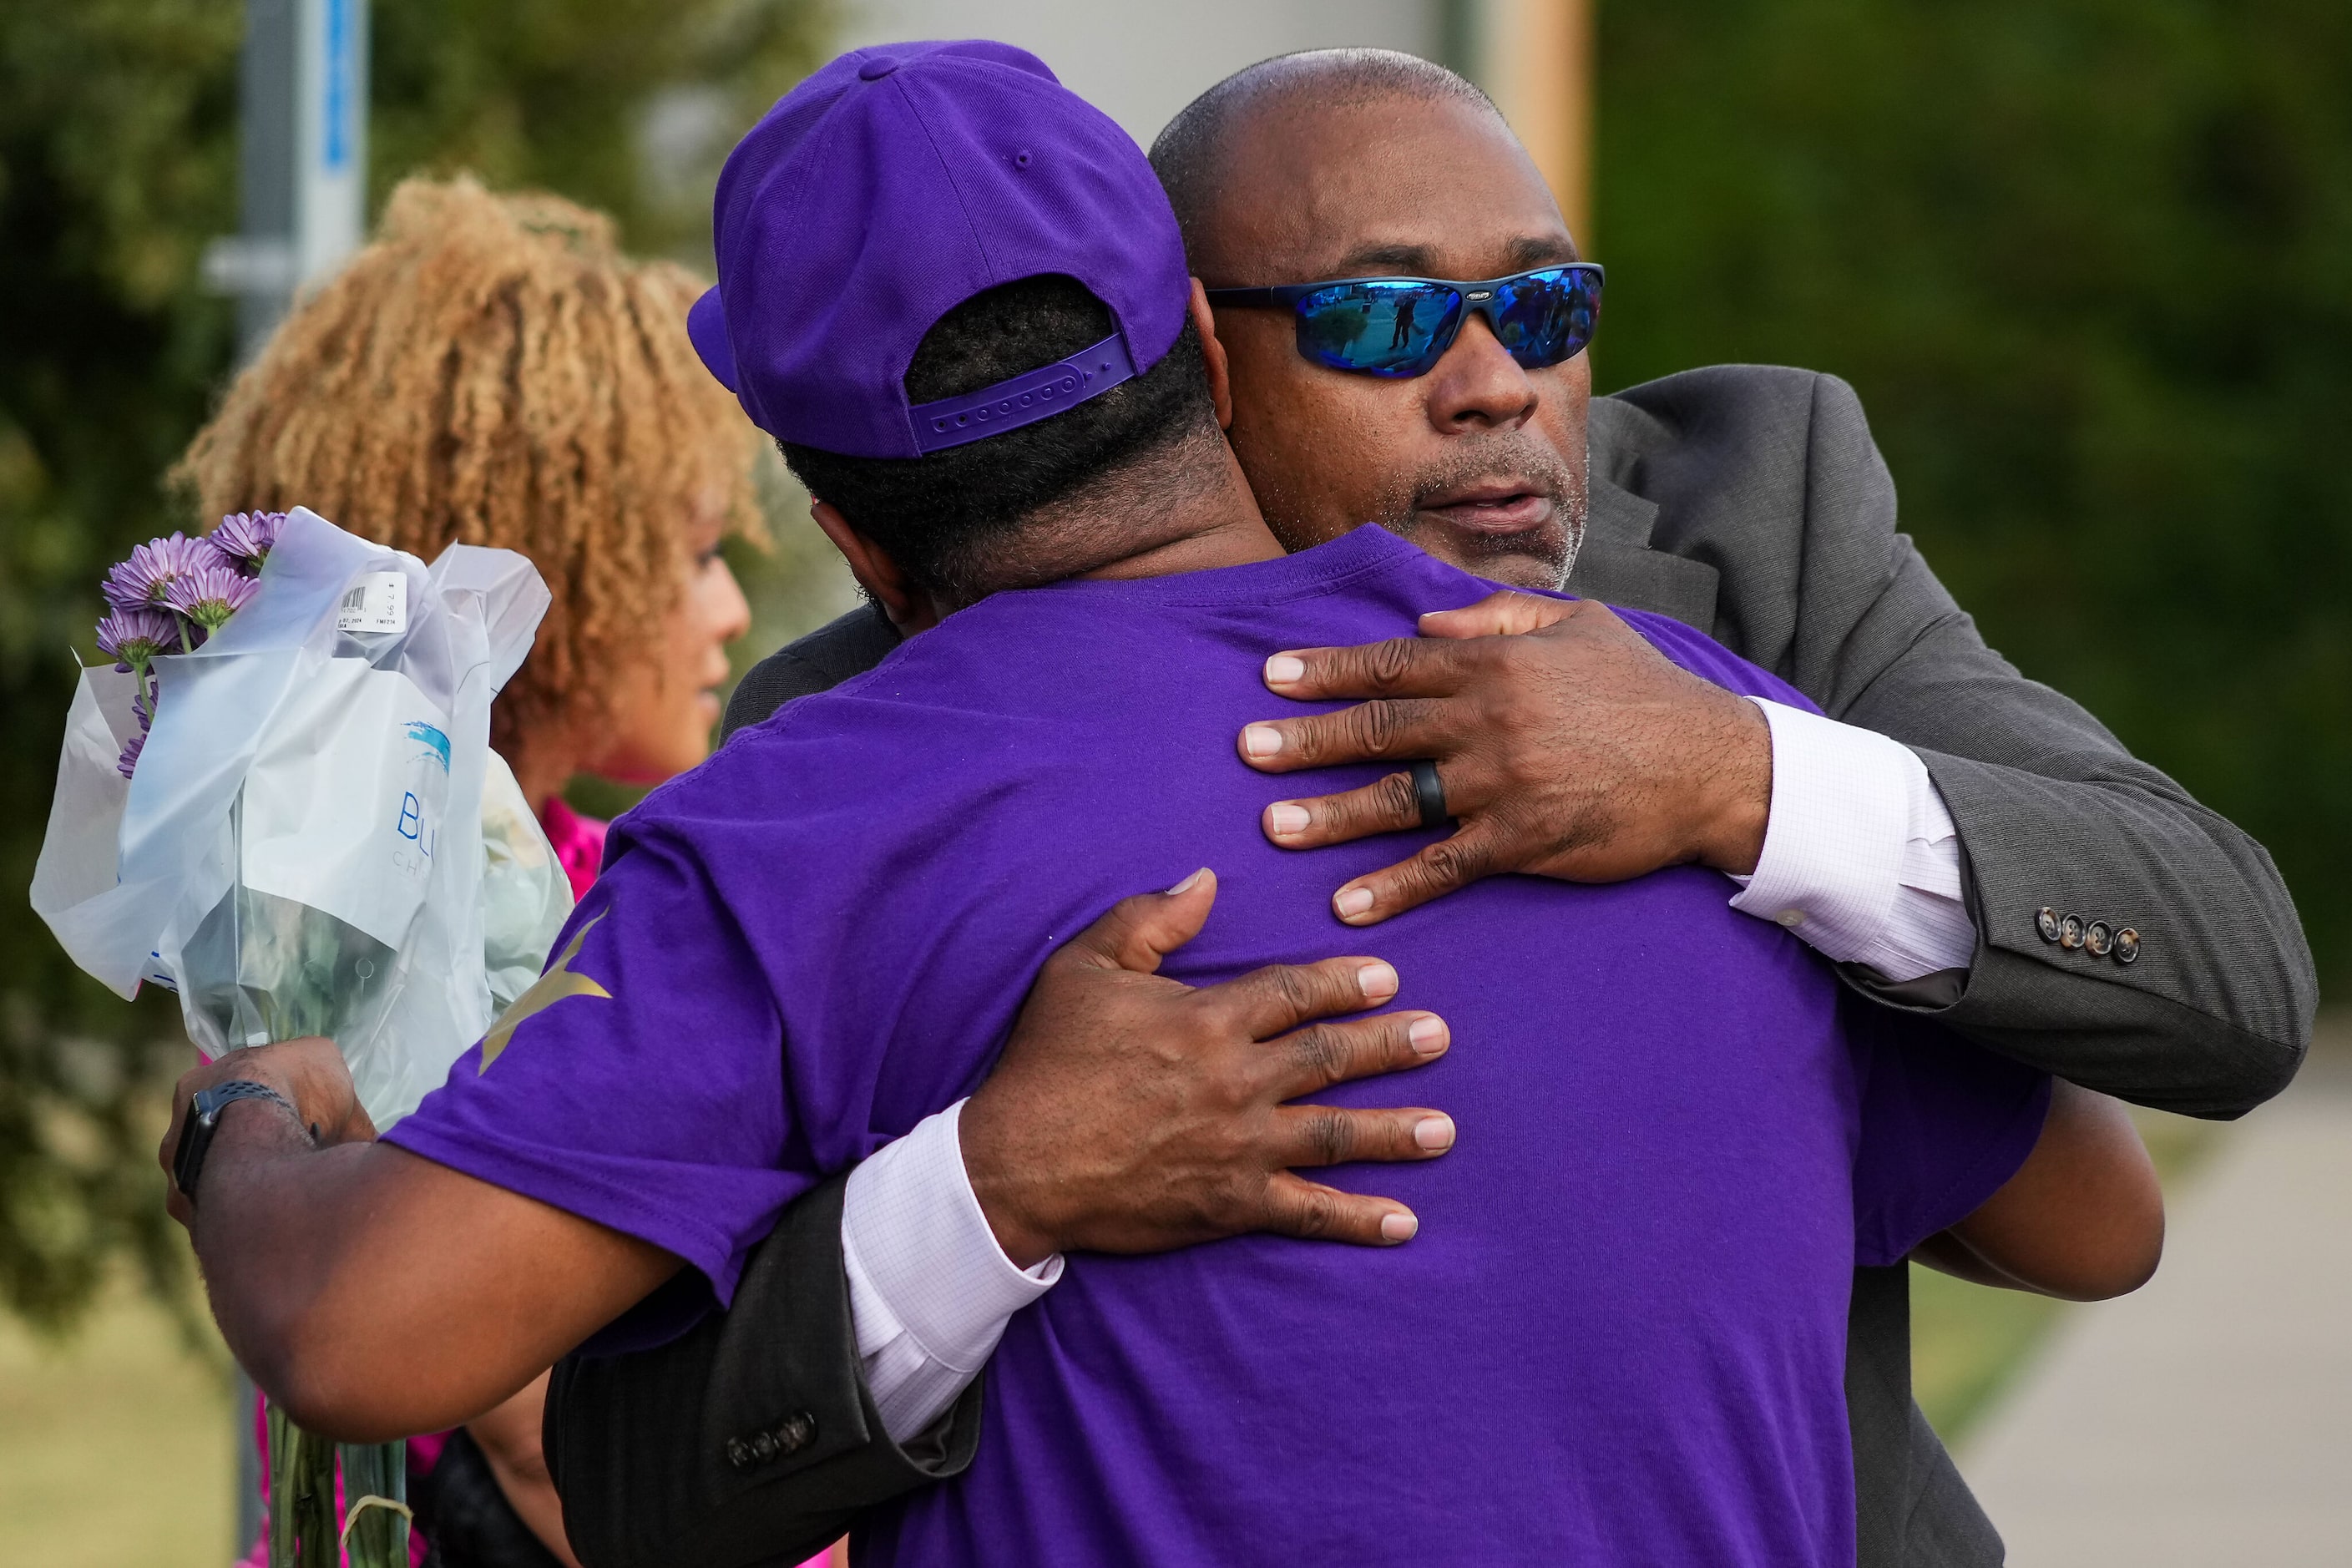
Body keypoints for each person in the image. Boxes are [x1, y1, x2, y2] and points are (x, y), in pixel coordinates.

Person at [159, 43, 2163, 1568]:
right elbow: (2087, 1214)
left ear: (841, 524)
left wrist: (250, 1115)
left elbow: (360, 1336)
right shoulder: (1667, 737)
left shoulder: (809, 823)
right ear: (1201, 347)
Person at [174, 174, 757, 1568]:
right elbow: (557, 1460)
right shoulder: (402, 928)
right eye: (690, 554)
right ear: (564, 559)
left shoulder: (577, 868)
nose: (731, 606)